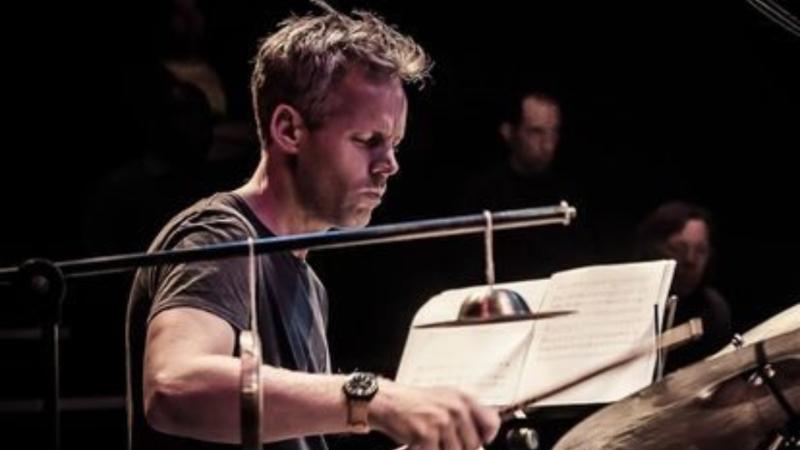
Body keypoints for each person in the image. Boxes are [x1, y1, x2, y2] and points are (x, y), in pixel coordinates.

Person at [125, 5, 500, 450]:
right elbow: (173, 387)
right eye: (368, 140)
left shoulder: (309, 285)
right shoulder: (221, 239)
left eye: (394, 144)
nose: (389, 165)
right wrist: (376, 399)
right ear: (289, 129)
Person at [634, 200, 733, 371]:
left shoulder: (713, 309)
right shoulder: (630, 304)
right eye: (678, 248)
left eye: (700, 250)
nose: (690, 260)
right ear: (652, 249)